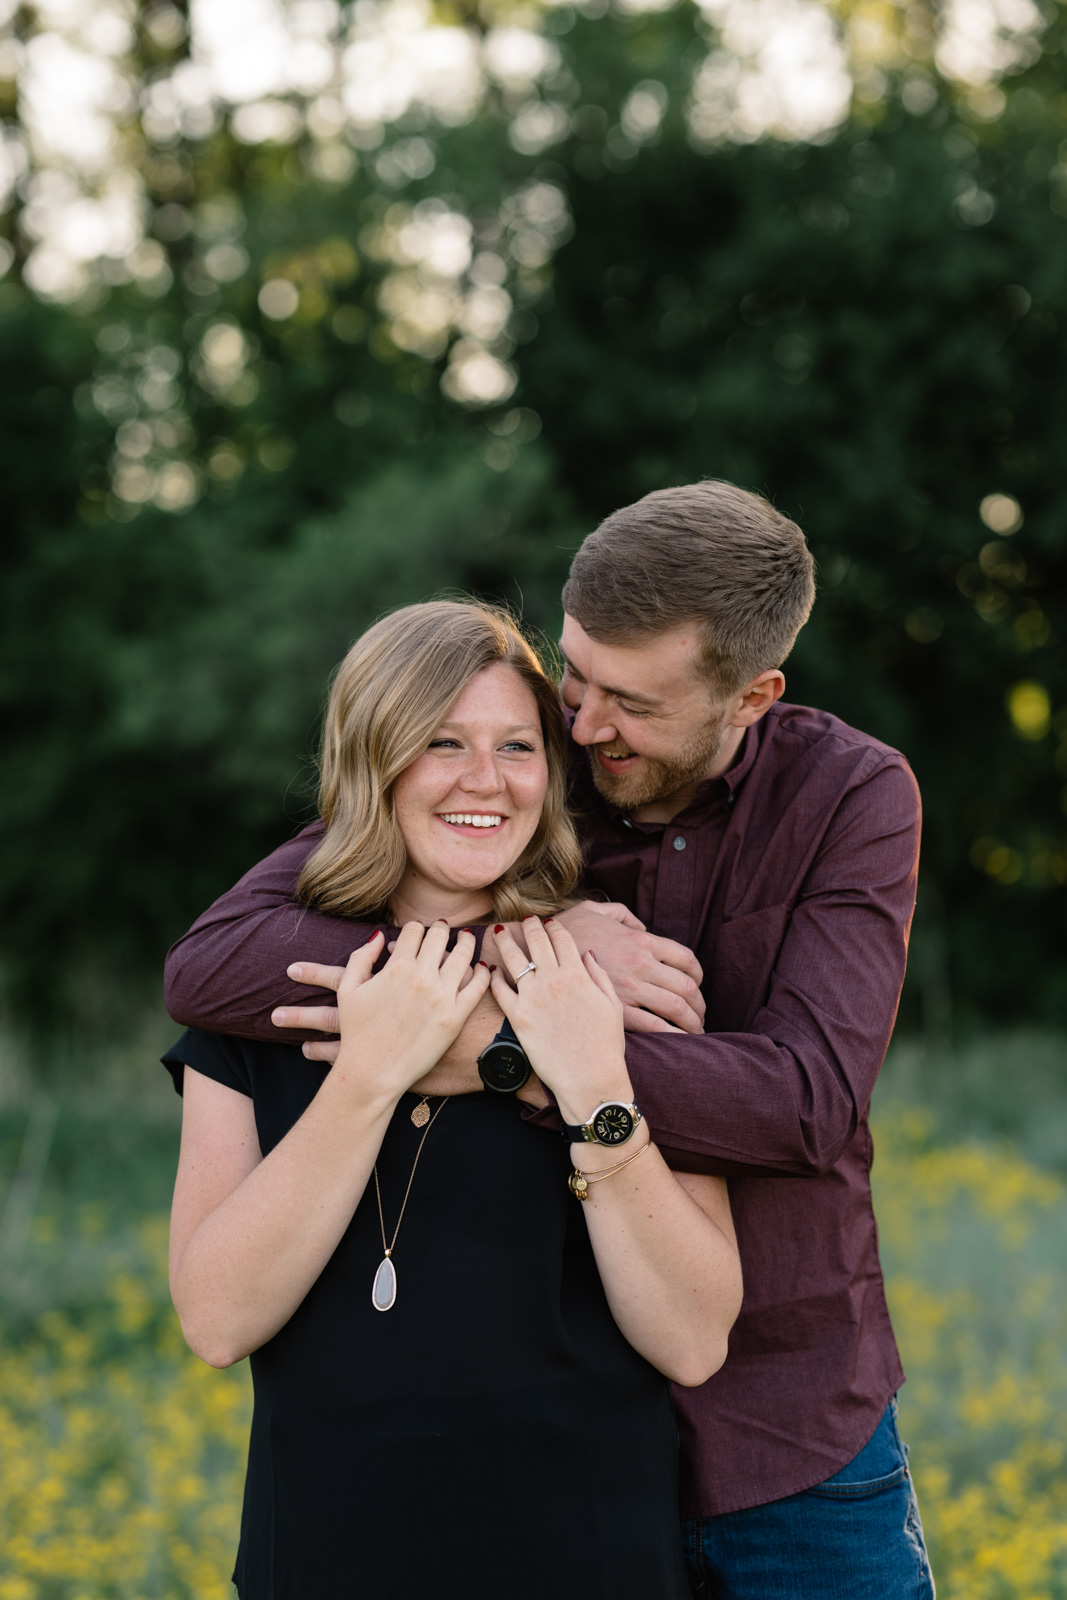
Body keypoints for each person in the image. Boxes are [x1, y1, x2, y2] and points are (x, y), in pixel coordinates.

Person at [166, 480, 935, 1600]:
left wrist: (510, 1048)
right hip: (509, 1486)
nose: (579, 725)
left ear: (750, 696)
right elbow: (214, 959)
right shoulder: (521, 751)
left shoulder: (849, 796)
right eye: (571, 672)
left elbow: (803, 1104)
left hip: (785, 1427)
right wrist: (507, 956)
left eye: (626, 700)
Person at [162, 600, 742, 1600]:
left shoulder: (622, 983)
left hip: (587, 1563)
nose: (485, 779)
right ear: (372, 762)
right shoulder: (263, 1006)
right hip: (324, 1562)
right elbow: (216, 1320)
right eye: (441, 742)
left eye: (516, 745)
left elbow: (690, 1338)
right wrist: (367, 1074)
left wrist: (594, 1086)